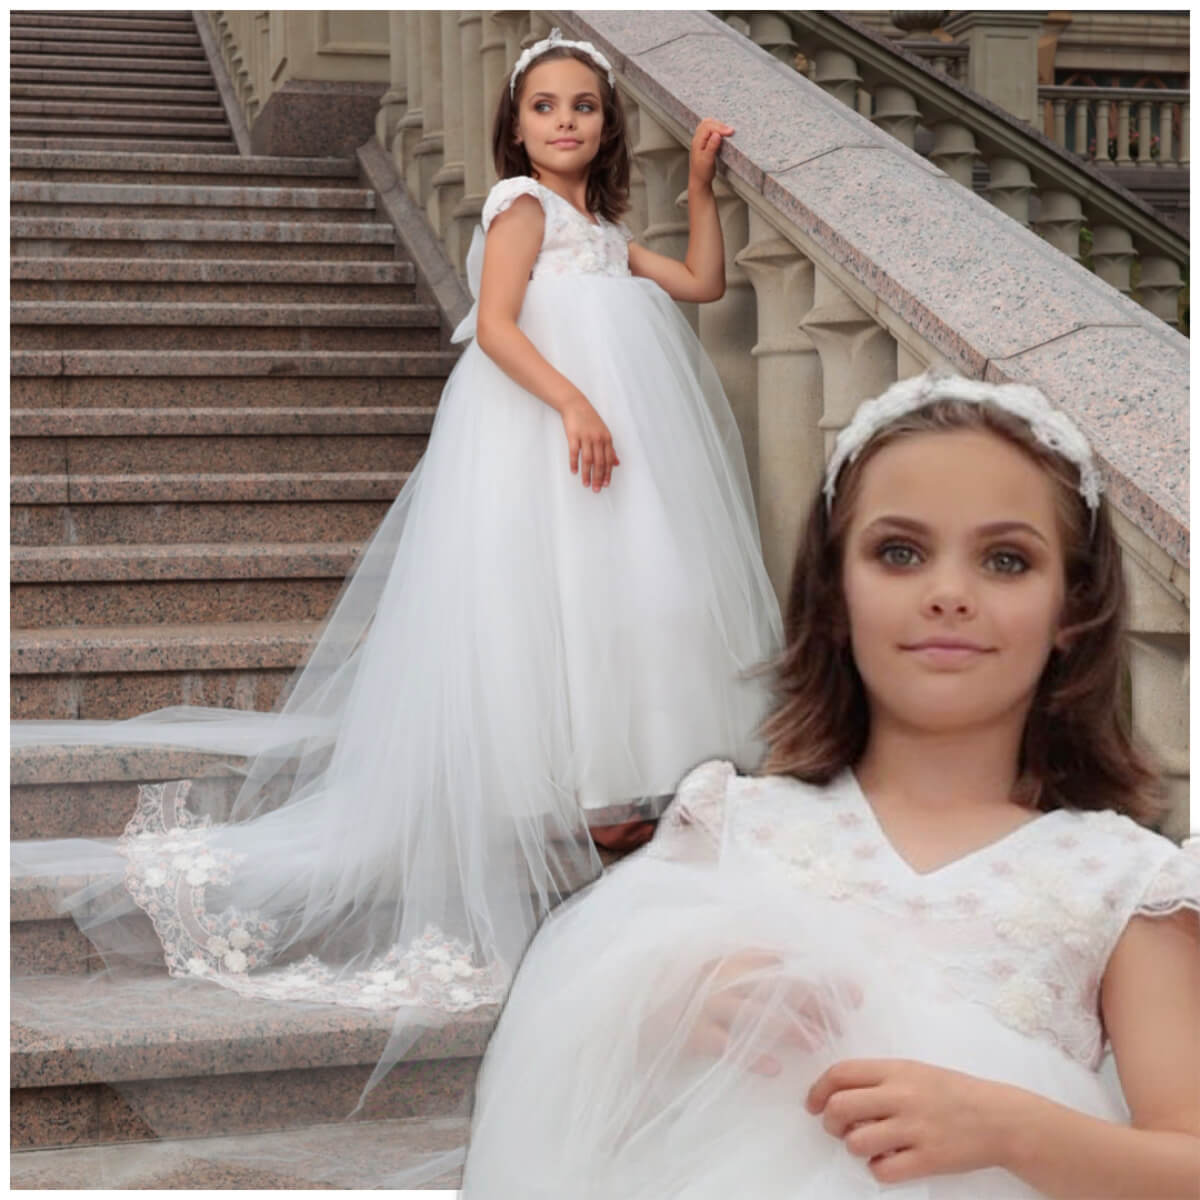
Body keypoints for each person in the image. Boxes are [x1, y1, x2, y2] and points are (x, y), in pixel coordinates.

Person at [11, 22, 779, 1119]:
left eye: (585, 107)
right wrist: (572, 401)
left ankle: (616, 792)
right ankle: (584, 799)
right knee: (547, 601)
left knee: (631, 603)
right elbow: (500, 330)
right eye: (545, 106)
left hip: (616, 445)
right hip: (549, 438)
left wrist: (701, 182)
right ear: (514, 126)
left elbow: (703, 282)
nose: (566, 122)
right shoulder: (517, 212)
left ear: (607, 126)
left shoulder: (599, 227)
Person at [460, 372, 1200, 1199]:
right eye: (899, 552)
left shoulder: (1128, 885)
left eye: (1005, 560)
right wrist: (679, 1005)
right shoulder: (733, 826)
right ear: (837, 594)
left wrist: (1009, 1129)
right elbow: (573, 1068)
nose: (948, 595)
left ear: (1074, 609)